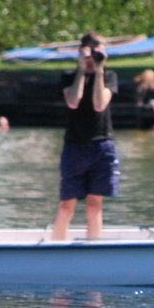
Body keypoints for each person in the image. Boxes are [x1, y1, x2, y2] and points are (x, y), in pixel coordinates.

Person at [52, 30, 120, 241]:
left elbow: (100, 105)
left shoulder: (109, 76)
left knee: (94, 204)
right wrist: (82, 69)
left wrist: (98, 71)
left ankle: (94, 246)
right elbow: (73, 101)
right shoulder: (69, 77)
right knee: (67, 204)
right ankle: (56, 246)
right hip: (75, 146)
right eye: (95, 48)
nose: (99, 53)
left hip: (101, 146)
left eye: (102, 48)